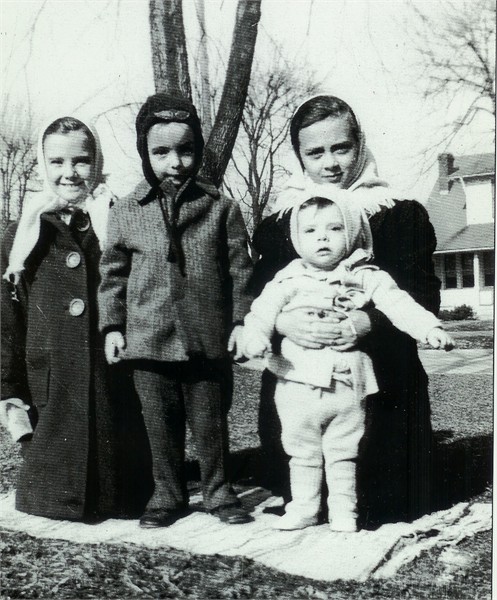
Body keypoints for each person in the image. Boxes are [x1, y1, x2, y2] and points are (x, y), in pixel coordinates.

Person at [250, 95, 442, 526]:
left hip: (379, 372)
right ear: (299, 156)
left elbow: (422, 294)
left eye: (341, 148)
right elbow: (259, 294)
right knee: (296, 465)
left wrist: (368, 320)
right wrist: (282, 322)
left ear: (361, 144)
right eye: (315, 153)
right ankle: (304, 496)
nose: (330, 164)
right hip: (300, 370)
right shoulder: (283, 221)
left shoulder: (397, 214)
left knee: (386, 498)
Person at [241, 195, 454, 532]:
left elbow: (399, 304)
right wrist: (255, 338)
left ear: (353, 233)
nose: (322, 237)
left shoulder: (366, 275)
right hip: (297, 382)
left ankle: (344, 511)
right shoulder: (287, 279)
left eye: (335, 228)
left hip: (346, 382)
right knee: (301, 450)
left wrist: (429, 328)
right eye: (310, 230)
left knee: (344, 451)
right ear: (297, 238)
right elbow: (261, 313)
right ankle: (304, 507)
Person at [98, 93, 254, 528]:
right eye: (161, 152)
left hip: (206, 339)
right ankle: (167, 494)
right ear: (145, 154)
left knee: (210, 422)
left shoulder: (220, 207)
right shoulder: (127, 210)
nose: (175, 162)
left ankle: (219, 492)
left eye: (186, 150)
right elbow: (112, 275)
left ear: (199, 150)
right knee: (159, 425)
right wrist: (112, 326)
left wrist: (241, 321)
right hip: (147, 340)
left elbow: (241, 270)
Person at [1, 116, 152, 521]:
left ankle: (122, 494)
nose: (69, 173)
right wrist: (9, 388)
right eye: (57, 162)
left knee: (119, 483)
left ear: (97, 161)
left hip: (112, 374)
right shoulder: (24, 232)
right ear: (42, 164)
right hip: (50, 377)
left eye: (81, 160)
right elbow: (8, 321)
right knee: (54, 468)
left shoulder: (119, 220)